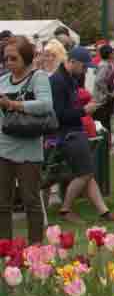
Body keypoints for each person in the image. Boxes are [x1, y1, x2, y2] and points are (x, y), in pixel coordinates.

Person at [50, 47, 114, 223]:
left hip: (74, 131)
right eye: (84, 66)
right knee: (86, 174)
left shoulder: (69, 79)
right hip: (67, 134)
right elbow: (59, 115)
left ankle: (104, 212)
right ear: (72, 62)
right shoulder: (58, 81)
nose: (86, 70)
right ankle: (65, 209)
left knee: (87, 173)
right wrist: (83, 110)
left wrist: (84, 109)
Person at [0, 37, 54, 243]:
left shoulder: (38, 77)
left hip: (29, 149)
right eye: (6, 59)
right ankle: (5, 249)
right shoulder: (3, 81)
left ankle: (36, 249)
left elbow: (46, 105)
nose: (8, 63)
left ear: (26, 58)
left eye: (13, 58)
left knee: (31, 201)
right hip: (3, 147)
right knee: (2, 203)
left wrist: (13, 104)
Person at [91, 44, 114, 135]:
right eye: (112, 52)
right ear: (109, 54)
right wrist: (108, 92)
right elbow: (99, 80)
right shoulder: (105, 66)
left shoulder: (104, 64)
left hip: (101, 99)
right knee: (104, 123)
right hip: (101, 100)